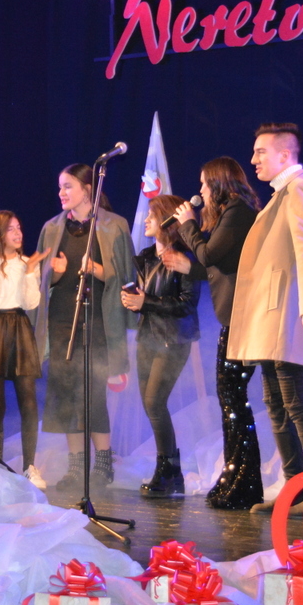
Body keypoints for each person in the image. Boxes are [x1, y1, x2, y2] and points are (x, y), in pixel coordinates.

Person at [227, 123, 303, 516]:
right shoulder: (281, 195)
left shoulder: (300, 191)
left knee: (297, 402)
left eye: (261, 152)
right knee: (276, 403)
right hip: (274, 316)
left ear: (285, 155)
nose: (253, 159)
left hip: (291, 314)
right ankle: (297, 488)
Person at [166, 156, 264, 510]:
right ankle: (236, 476)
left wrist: (188, 225)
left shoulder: (237, 212)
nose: (201, 191)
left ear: (220, 184)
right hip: (235, 317)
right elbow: (218, 267)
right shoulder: (230, 214)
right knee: (230, 399)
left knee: (233, 399)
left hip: (243, 316)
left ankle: (245, 482)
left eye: (205, 184)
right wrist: (188, 267)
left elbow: (209, 255)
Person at [34, 164, 134, 488]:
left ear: (87, 189)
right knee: (66, 393)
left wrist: (98, 270)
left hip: (98, 320)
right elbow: (40, 281)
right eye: (60, 187)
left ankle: (103, 463)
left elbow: (128, 276)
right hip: (62, 320)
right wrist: (57, 273)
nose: (61, 193)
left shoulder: (114, 225)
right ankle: (76, 466)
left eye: (68, 186)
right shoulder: (52, 228)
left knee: (93, 393)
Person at [121, 195, 199, 498]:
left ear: (166, 220)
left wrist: (147, 301)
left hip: (173, 339)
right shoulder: (145, 257)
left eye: (152, 215)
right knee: (150, 404)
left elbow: (187, 304)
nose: (146, 219)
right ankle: (172, 472)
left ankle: (166, 471)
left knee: (154, 402)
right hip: (147, 338)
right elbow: (146, 300)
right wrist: (134, 301)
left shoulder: (185, 257)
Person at [0, 211, 48, 487]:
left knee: (28, 401)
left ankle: (30, 466)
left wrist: (30, 272)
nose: (18, 234)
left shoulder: (26, 263)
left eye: (19, 228)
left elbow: (30, 303)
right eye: (11, 229)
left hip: (19, 327)